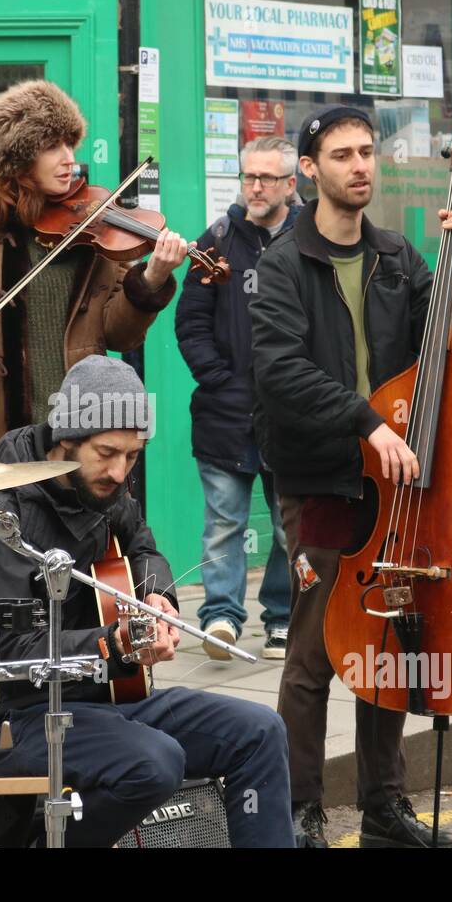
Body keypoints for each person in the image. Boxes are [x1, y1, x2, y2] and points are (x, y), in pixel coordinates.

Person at [0, 355, 293, 847]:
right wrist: (113, 643)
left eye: (132, 455)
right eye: (107, 452)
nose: (119, 470)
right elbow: (9, 653)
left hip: (99, 703)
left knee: (260, 730)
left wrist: (156, 597)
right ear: (66, 438)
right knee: (154, 762)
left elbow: (144, 548)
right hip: (14, 718)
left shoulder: (105, 494)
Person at [250, 105, 452, 848]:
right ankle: (301, 810)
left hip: (397, 481)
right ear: (309, 170)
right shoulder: (283, 263)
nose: (361, 166)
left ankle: (385, 806)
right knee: (313, 652)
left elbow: (447, 346)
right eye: (342, 154)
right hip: (321, 478)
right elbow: (280, 370)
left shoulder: (399, 256)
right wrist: (367, 421)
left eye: (368, 152)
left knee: (388, 641)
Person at [0, 80, 188, 541]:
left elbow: (120, 336)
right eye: (51, 146)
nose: (69, 159)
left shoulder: (95, 239)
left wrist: (153, 279)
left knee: (83, 580)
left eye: (70, 144)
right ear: (17, 164)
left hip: (78, 448)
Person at [176, 136, 299, 661]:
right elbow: (191, 320)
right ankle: (221, 617)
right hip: (225, 411)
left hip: (293, 413)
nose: (254, 186)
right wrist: (217, 378)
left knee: (288, 527)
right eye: (248, 176)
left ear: (291, 185)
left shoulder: (312, 239)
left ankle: (281, 618)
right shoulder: (219, 239)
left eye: (266, 178)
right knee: (224, 522)